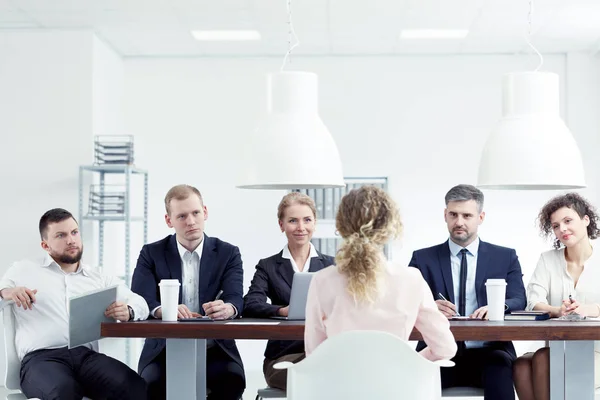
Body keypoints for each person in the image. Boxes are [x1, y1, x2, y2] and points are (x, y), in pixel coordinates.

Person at [0, 208, 148, 400]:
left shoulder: (98, 277)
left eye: (74, 232)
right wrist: (7, 292)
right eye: (61, 235)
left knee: (133, 385)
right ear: (45, 245)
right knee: (64, 392)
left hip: (86, 356)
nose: (71, 240)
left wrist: (129, 310)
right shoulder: (23, 270)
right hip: (41, 360)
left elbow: (140, 303)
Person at [304, 186, 456, 361]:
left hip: (341, 387)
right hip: (397, 387)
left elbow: (314, 356)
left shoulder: (322, 280)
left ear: (341, 225)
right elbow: (445, 349)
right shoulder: (411, 280)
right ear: (391, 227)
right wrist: (408, 363)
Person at [409, 184, 526, 400]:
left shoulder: (505, 256)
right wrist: (428, 305)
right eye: (453, 214)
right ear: (445, 215)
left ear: (480, 217)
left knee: (499, 367)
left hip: (490, 352)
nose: (459, 222)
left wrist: (498, 306)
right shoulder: (422, 259)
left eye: (467, 215)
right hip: (436, 351)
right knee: (412, 382)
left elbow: (520, 299)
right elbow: (405, 300)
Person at [131, 184, 245, 400]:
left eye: (195, 213)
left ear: (205, 212)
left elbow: (235, 298)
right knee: (150, 385)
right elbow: (140, 297)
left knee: (233, 381)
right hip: (163, 350)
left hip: (215, 348)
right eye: (182, 216)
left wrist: (228, 309)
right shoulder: (151, 253)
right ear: (169, 221)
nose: (191, 222)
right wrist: (163, 310)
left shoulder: (228, 253)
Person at [243, 192, 335, 390]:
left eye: (307, 220)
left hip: (322, 354)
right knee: (323, 378)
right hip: (282, 358)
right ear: (281, 225)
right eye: (293, 220)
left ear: (315, 223)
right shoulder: (267, 266)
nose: (301, 227)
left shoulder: (332, 266)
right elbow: (250, 304)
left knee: (324, 373)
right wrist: (281, 311)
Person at [513, 192, 600, 400]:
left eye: (568, 221)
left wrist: (588, 310)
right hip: (558, 345)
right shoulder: (548, 260)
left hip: (595, 349)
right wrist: (557, 310)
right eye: (555, 225)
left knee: (543, 358)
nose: (562, 229)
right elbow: (533, 303)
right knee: (521, 365)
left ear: (585, 220)